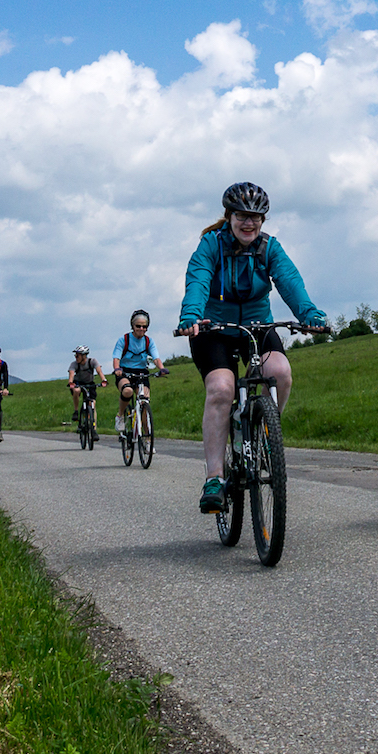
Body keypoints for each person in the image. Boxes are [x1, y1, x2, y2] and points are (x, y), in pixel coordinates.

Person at [177, 182, 327, 514]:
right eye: (243, 216)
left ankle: (264, 435)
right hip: (213, 328)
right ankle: (214, 478)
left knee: (280, 372)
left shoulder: (269, 248)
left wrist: (309, 314)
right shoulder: (210, 246)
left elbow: (289, 280)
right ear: (229, 216)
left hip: (258, 325)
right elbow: (198, 280)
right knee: (221, 388)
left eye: (257, 218)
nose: (250, 224)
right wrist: (191, 316)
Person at [110, 309, 165, 440]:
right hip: (124, 372)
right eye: (138, 326)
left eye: (144, 326)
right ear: (132, 326)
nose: (141, 329)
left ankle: (147, 440)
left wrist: (162, 368)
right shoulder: (123, 340)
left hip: (141, 373)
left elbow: (156, 358)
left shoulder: (148, 341)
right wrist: (117, 369)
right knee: (127, 391)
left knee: (145, 405)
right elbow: (116, 358)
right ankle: (121, 416)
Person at [65, 347, 106, 439]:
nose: (76, 357)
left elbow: (99, 371)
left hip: (90, 384)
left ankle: (94, 429)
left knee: (92, 404)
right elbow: (71, 374)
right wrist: (71, 382)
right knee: (76, 391)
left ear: (84, 356)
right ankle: (76, 411)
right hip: (78, 383)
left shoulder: (92, 361)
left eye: (78, 355)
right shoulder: (74, 364)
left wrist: (103, 380)